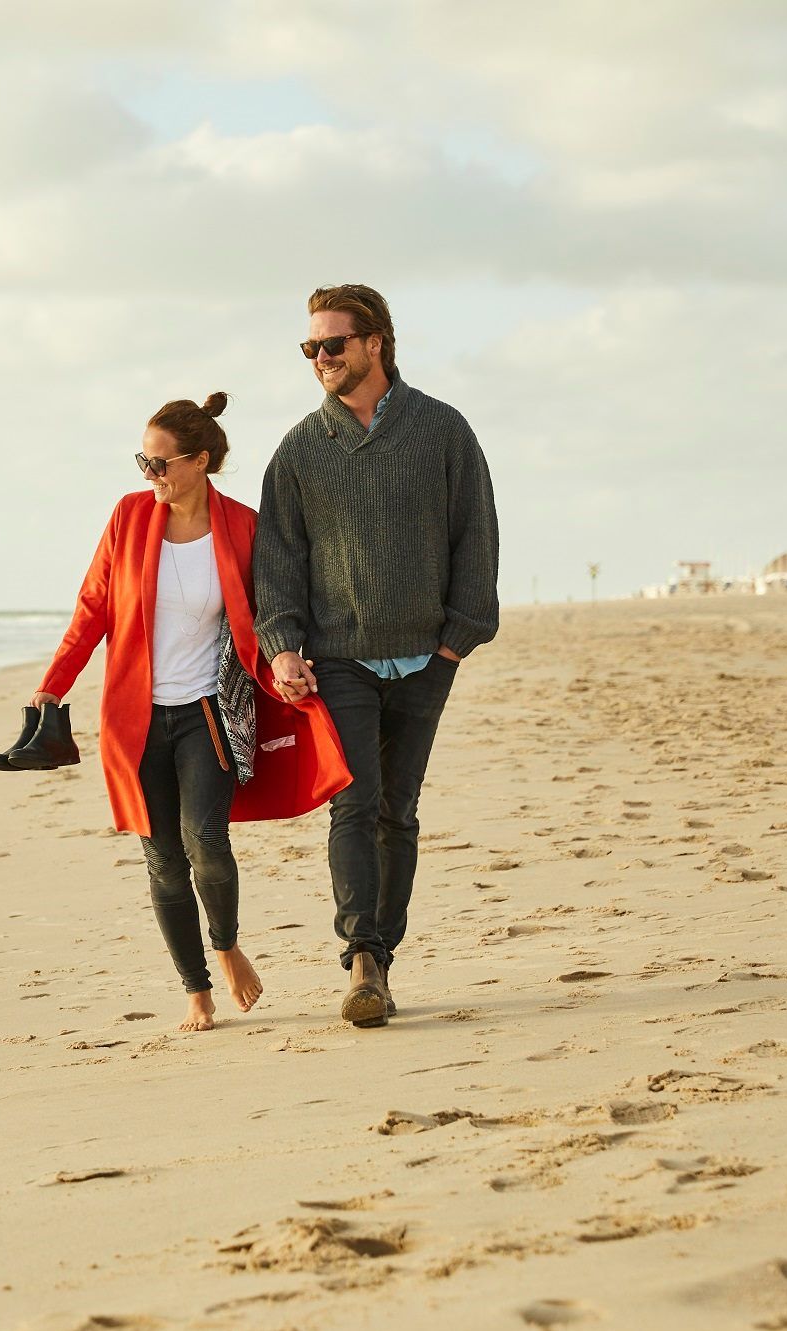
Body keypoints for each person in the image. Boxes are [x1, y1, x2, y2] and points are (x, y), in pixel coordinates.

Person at [33, 394, 351, 1032]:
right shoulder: (129, 518)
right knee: (162, 860)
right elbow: (93, 607)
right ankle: (195, 989)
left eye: (160, 463)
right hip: (138, 719)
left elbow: (275, 606)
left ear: (200, 461)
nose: (149, 475)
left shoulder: (243, 526)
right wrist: (52, 687)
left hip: (209, 710)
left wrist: (288, 661)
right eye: (143, 463)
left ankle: (227, 946)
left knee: (205, 839)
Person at [254, 284, 500, 1028]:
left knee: (399, 810)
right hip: (341, 660)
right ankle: (362, 957)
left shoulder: (442, 429)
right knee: (354, 804)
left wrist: (459, 635)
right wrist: (282, 646)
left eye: (333, 344)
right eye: (310, 347)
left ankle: (382, 956)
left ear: (375, 343)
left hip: (428, 655)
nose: (320, 358)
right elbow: (278, 560)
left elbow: (476, 532)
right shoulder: (300, 449)